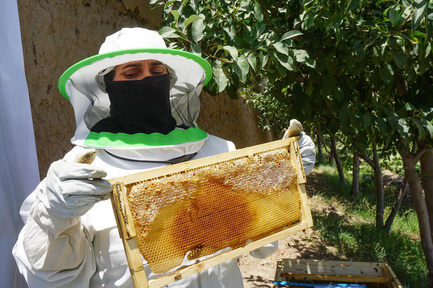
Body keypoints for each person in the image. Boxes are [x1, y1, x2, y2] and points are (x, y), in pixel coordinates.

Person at [13, 27, 316, 287]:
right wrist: (52, 218)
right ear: (109, 87)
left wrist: (283, 177)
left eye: (156, 71)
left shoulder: (220, 151)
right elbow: (49, 277)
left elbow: (261, 241)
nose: (147, 80)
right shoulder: (79, 172)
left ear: (169, 82)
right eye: (131, 73)